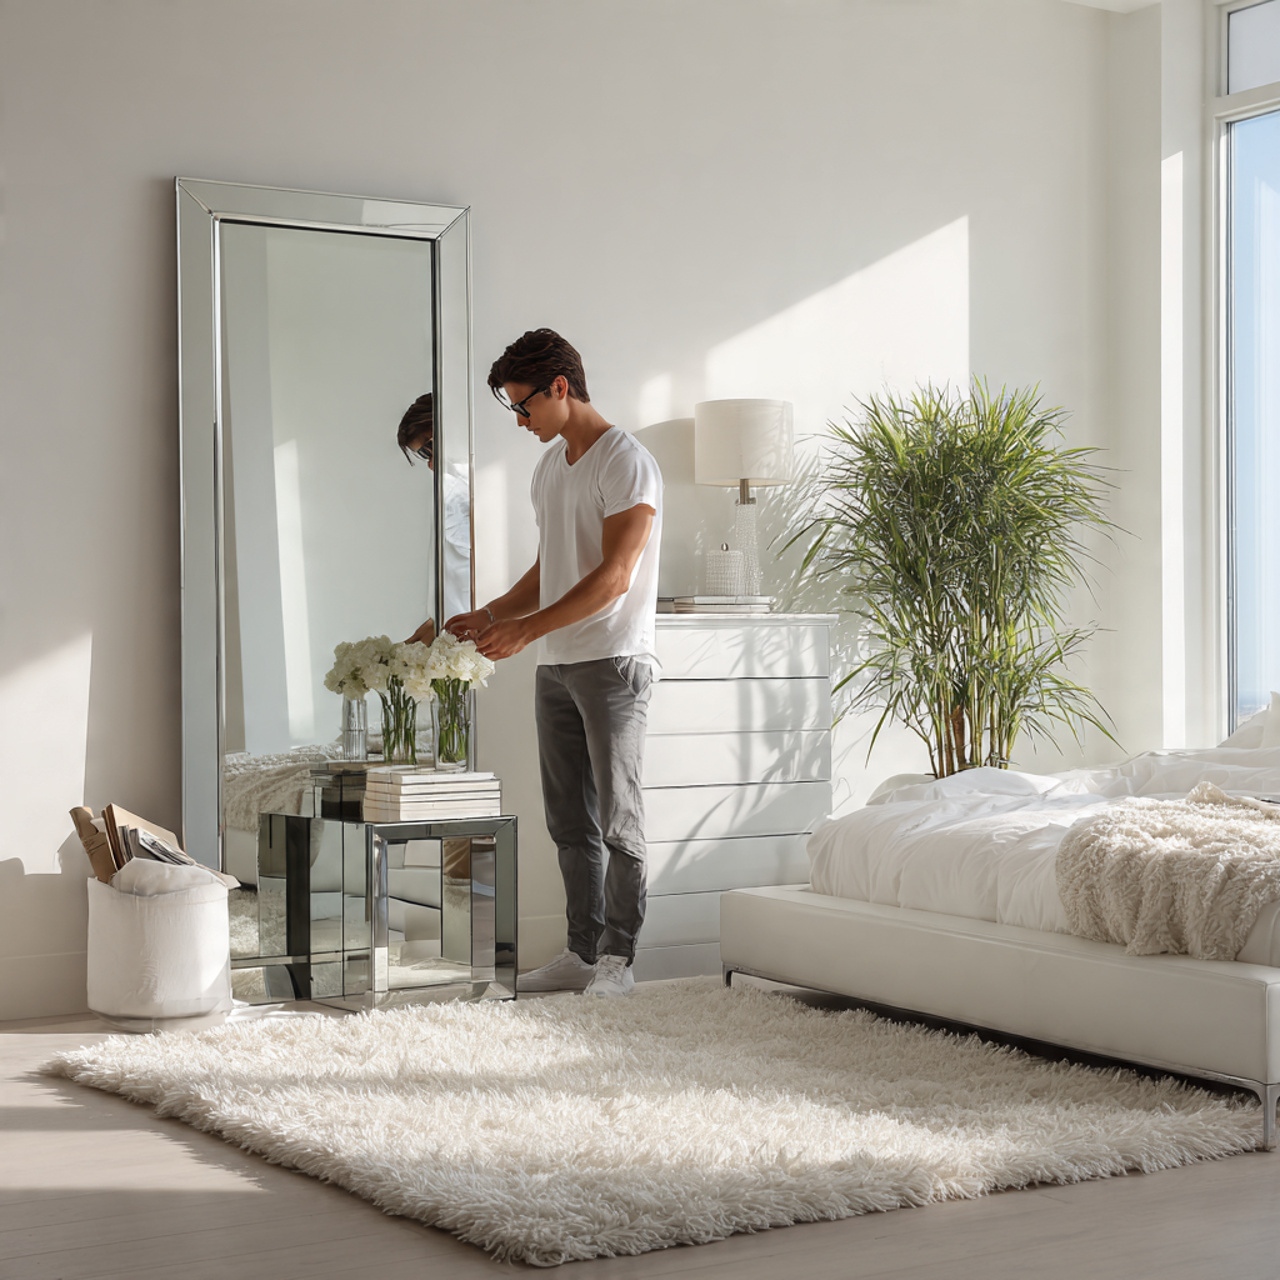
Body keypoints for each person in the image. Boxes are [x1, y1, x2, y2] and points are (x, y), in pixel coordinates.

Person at [444, 328, 662, 998]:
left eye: (524, 406)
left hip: (614, 663)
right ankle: (581, 952)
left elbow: (615, 576)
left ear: (560, 387)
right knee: (569, 822)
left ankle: (619, 960)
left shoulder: (626, 462)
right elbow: (551, 569)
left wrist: (528, 629)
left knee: (618, 820)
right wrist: (491, 614)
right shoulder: (549, 468)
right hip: (558, 666)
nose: (520, 420)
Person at [398, 391, 472, 646]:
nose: (430, 464)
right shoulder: (449, 490)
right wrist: (435, 621)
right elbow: (451, 572)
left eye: (430, 448)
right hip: (454, 636)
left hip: (473, 636)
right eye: (423, 455)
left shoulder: (461, 490)